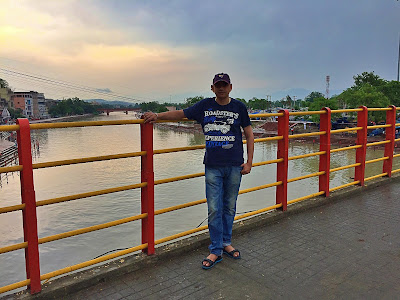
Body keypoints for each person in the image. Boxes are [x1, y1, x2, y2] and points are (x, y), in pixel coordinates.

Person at [143, 73, 254, 270]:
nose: (221, 88)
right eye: (218, 85)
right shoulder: (204, 106)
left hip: (235, 165)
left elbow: (249, 133)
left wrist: (249, 162)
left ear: (230, 87)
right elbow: (181, 114)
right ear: (212, 88)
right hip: (212, 166)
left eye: (224, 85)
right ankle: (215, 249)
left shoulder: (239, 107)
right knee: (214, 209)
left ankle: (226, 242)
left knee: (229, 206)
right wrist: (157, 116)